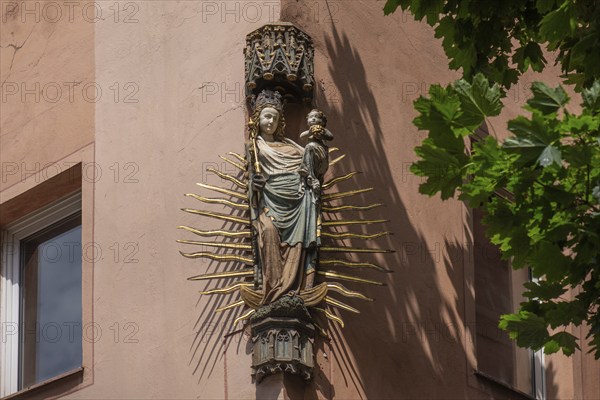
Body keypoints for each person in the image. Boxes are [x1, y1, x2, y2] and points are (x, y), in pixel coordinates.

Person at [246, 90, 318, 305]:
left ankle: (295, 288)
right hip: (269, 199)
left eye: (275, 118)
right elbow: (252, 178)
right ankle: (274, 289)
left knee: (297, 243)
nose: (271, 122)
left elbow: (308, 164)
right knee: (268, 232)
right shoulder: (255, 147)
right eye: (267, 116)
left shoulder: (291, 146)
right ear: (258, 119)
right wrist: (254, 185)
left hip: (297, 200)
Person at [298, 109, 334, 193]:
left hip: (321, 153)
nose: (313, 119)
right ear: (307, 121)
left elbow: (331, 137)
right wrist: (310, 133)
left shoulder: (323, 130)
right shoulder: (309, 132)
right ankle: (310, 176)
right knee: (309, 147)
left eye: (317, 117)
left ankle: (312, 177)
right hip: (310, 153)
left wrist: (321, 134)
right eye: (311, 117)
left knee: (309, 146)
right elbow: (301, 136)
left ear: (322, 122)